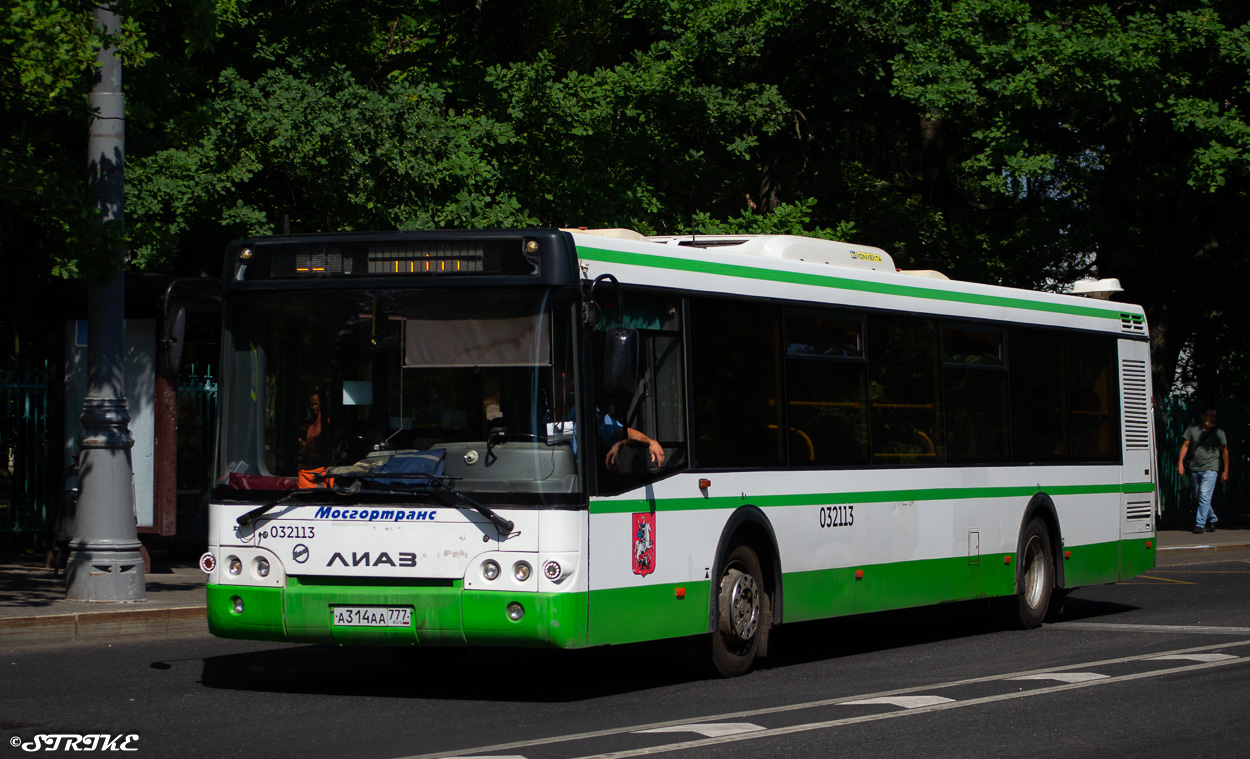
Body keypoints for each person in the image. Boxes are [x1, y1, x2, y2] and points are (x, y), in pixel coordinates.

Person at [1176, 406, 1229, 534]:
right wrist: (1180, 462)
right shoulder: (1193, 429)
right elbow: (1185, 445)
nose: (1212, 418)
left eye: (1214, 416)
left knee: (1204, 496)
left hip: (1211, 468)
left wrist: (1225, 470)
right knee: (1199, 496)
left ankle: (1200, 524)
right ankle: (1213, 518)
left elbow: (1224, 451)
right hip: (1195, 468)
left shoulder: (1219, 432)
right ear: (1203, 416)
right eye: (1210, 415)